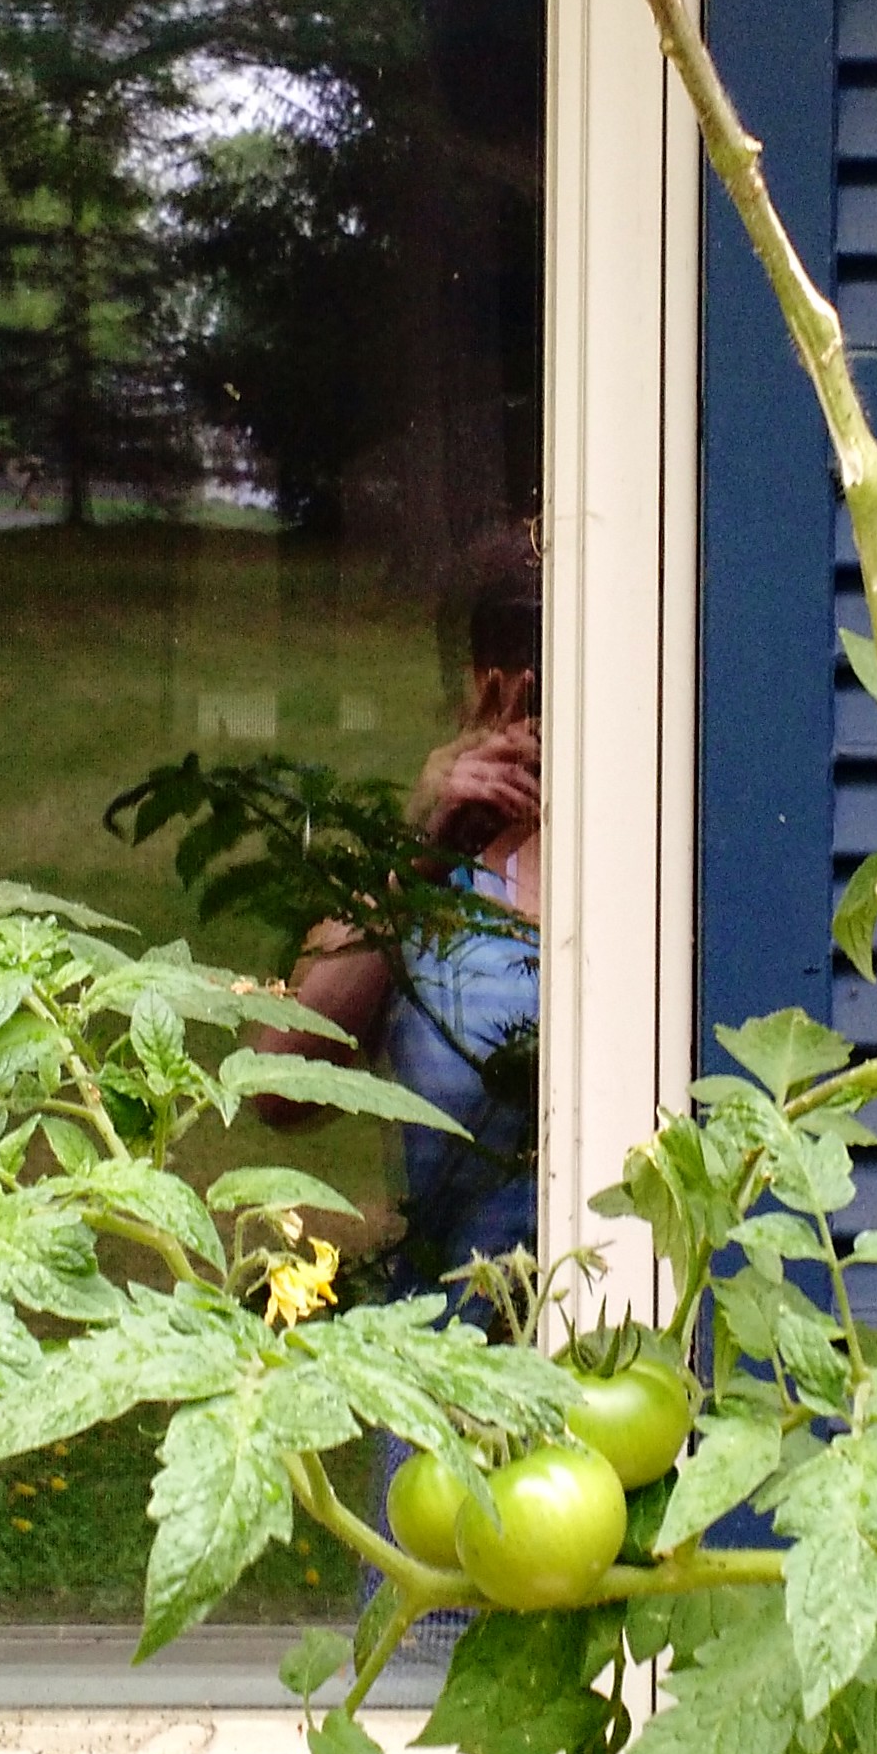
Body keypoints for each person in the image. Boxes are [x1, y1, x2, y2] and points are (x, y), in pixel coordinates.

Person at [271, 526, 541, 1306]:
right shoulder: (432, 879)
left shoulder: (655, 864)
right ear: (480, 691)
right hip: (443, 1366)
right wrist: (417, 853)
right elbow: (280, 1083)